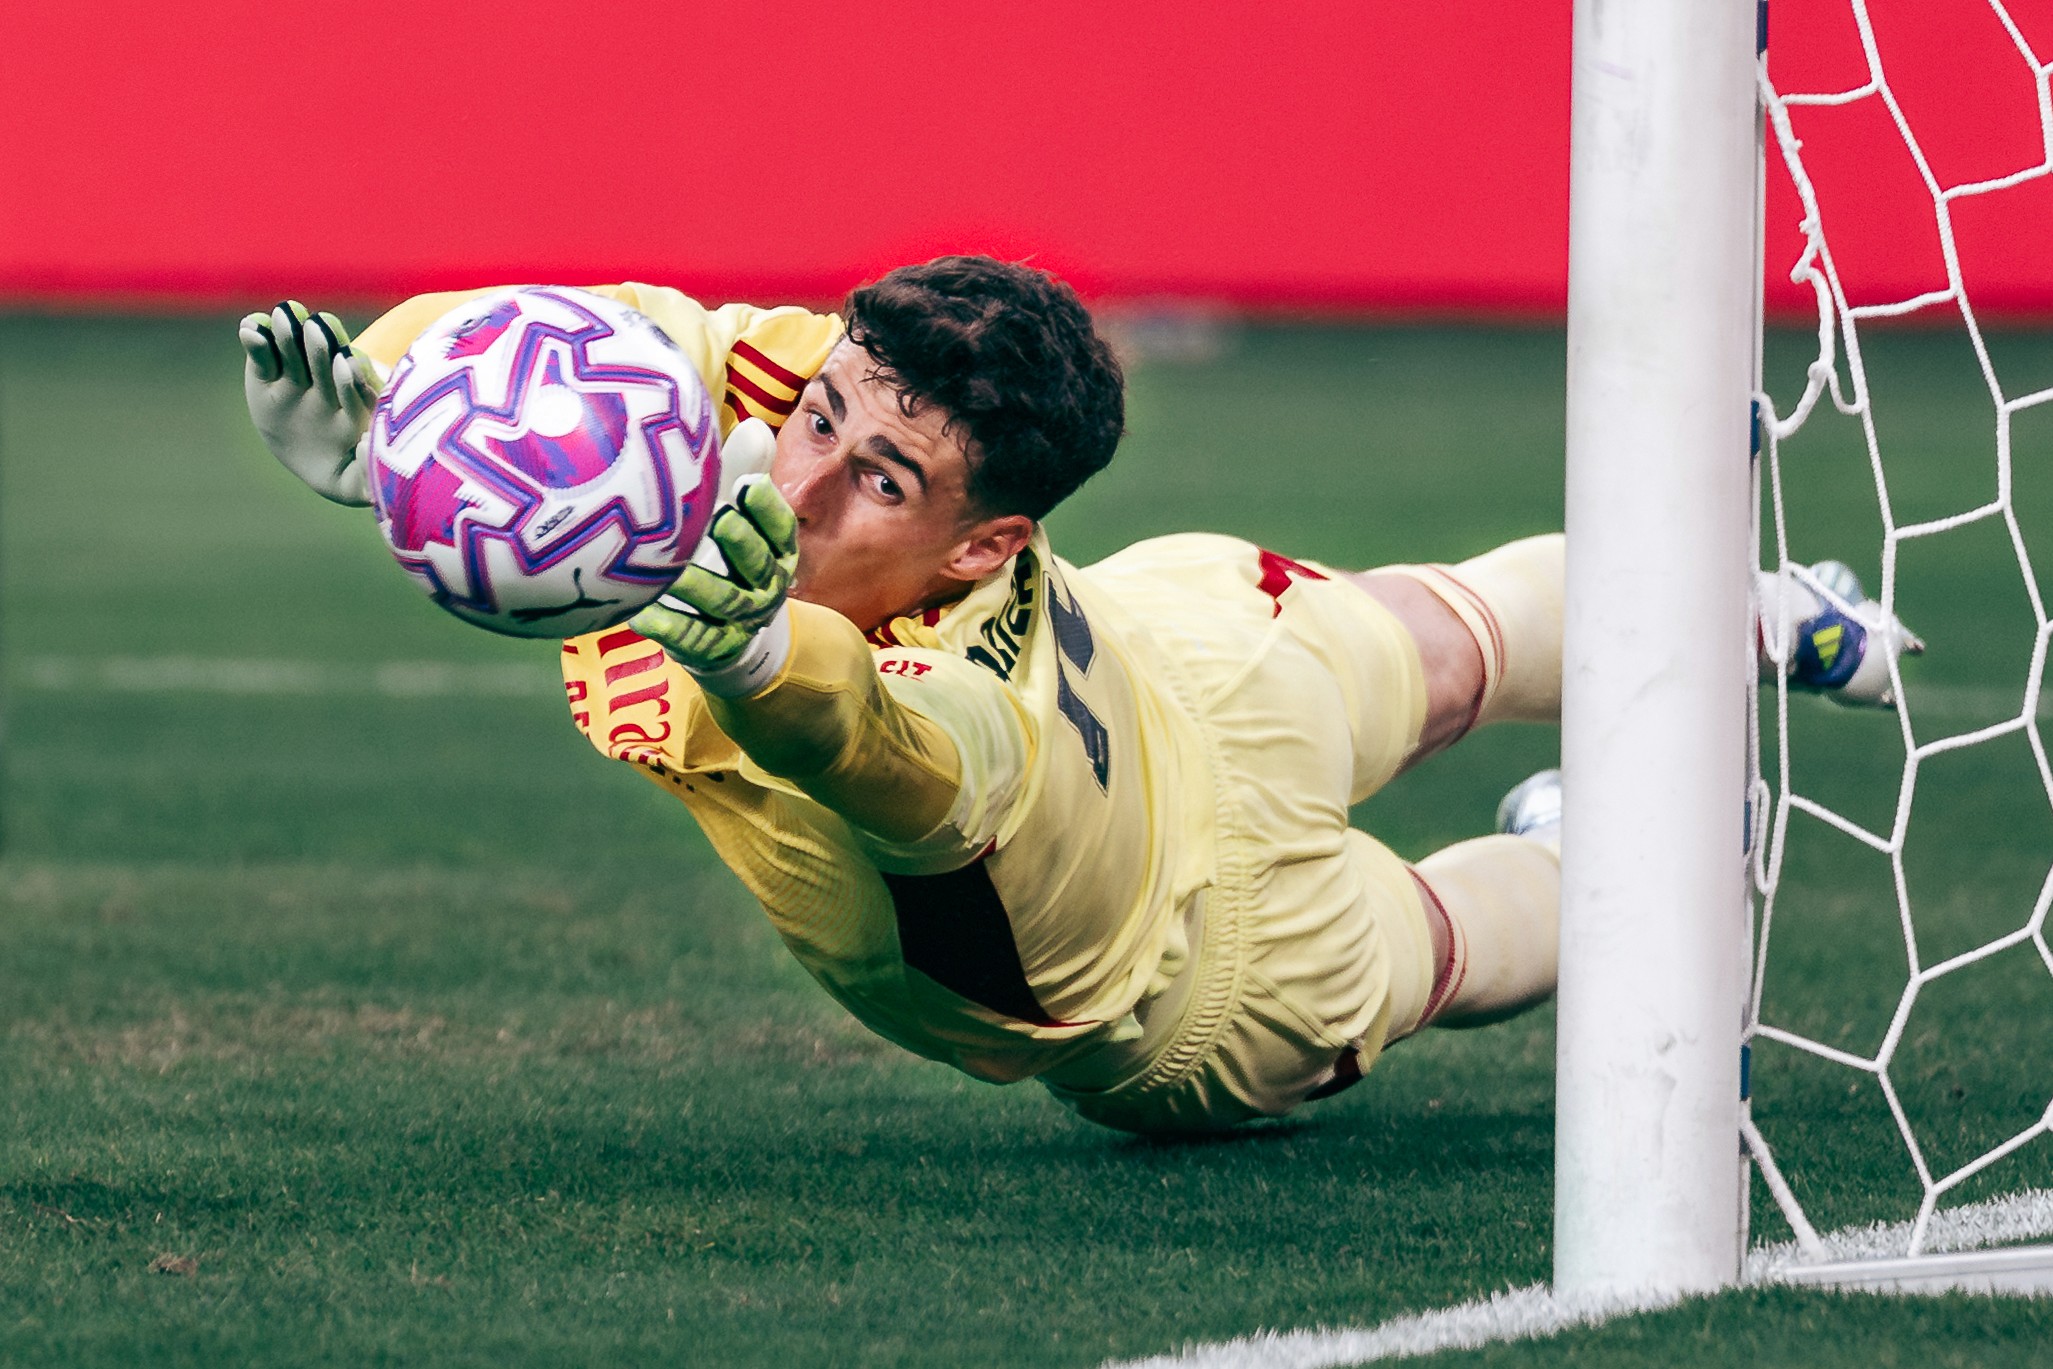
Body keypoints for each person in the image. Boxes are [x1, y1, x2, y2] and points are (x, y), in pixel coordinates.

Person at [239, 257, 1905, 1133]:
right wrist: (401, 410)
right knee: (1454, 849)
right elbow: (629, 340)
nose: (810, 481)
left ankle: (1752, 612)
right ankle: (1643, 830)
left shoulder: (956, 708)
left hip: (1202, 880)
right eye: (822, 417)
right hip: (1176, 847)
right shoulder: (790, 407)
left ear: (988, 543)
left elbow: (898, 757)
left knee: (1450, 644)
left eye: (883, 481)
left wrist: (753, 651)